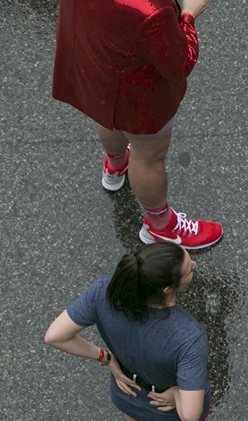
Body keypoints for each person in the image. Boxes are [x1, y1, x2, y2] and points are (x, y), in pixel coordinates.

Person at [44, 244, 225, 421]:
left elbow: (55, 335)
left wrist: (105, 358)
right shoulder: (188, 336)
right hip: (169, 411)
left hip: (128, 393)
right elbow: (189, 414)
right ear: (167, 289)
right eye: (189, 267)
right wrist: (177, 392)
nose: (195, 266)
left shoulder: (107, 290)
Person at [52, 0, 223, 250]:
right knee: (149, 156)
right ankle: (161, 226)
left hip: (94, 62)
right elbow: (179, 63)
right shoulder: (151, 11)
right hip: (137, 96)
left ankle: (116, 163)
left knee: (108, 118)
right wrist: (188, 15)